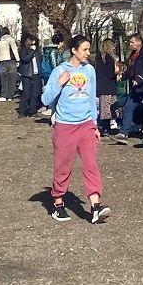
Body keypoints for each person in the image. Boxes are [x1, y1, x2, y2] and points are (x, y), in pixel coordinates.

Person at [42, 36, 111, 224]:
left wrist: (94, 124)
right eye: (85, 50)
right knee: (63, 167)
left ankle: (96, 206)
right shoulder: (59, 71)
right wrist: (60, 83)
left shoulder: (89, 71)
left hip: (86, 126)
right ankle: (58, 204)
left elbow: (91, 99)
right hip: (65, 126)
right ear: (74, 50)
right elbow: (45, 99)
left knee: (91, 165)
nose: (88, 53)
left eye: (89, 49)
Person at [94, 43, 120, 136]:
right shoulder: (109, 58)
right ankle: (106, 128)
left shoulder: (99, 58)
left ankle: (105, 128)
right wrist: (116, 72)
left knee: (104, 108)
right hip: (109, 86)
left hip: (101, 86)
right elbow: (110, 73)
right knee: (109, 108)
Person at [16, 33, 44, 119]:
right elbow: (25, 59)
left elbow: (40, 59)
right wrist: (32, 51)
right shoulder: (24, 50)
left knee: (35, 94)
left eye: (35, 44)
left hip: (36, 74)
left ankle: (33, 111)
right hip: (27, 74)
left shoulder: (38, 51)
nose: (34, 45)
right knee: (26, 93)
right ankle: (22, 111)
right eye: (32, 44)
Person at [0, 27, 21, 102]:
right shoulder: (11, 39)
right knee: (12, 79)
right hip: (11, 61)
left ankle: (3, 95)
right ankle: (10, 96)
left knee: (4, 79)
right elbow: (15, 50)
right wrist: (18, 60)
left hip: (2, 61)